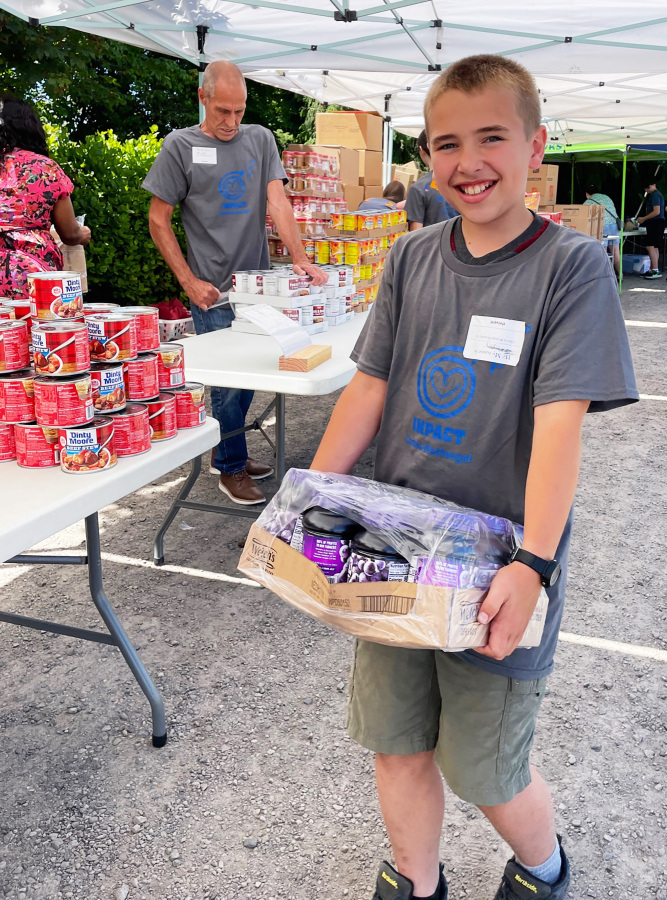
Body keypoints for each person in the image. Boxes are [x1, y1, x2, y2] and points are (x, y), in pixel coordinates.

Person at [311, 54, 638, 900]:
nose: (467, 162)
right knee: (395, 740)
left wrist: (533, 564)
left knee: (484, 768)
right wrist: (308, 498)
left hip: (498, 561)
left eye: (491, 137)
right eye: (446, 143)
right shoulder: (413, 257)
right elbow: (370, 385)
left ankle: (543, 870)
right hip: (392, 545)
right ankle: (415, 880)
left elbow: (559, 427)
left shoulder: (570, 268)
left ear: (534, 146)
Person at [143, 61, 326, 506]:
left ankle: (227, 451)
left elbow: (278, 203)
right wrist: (188, 282)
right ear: (202, 97)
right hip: (210, 290)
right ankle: (230, 466)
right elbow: (157, 219)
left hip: (256, 289)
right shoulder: (179, 146)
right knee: (228, 384)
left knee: (247, 378)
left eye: (239, 111)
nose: (231, 121)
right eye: (223, 110)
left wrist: (300, 258)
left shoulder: (260, 139)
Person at [0, 96, 91, 299]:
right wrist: (82, 234)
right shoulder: (44, 168)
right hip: (31, 277)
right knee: (38, 329)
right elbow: (69, 234)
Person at [405, 129, 458, 231]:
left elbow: (416, 235)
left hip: (432, 246)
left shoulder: (418, 188)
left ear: (421, 150)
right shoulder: (461, 183)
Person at [583, 185, 620, 275]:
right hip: (615, 225)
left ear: (587, 194)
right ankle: (620, 274)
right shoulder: (607, 197)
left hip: (602, 226)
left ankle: (605, 276)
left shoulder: (588, 202)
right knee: (615, 252)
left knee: (603, 252)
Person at [637, 181, 665, 279]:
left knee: (650, 246)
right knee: (655, 247)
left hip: (655, 222)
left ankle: (655, 270)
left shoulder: (655, 195)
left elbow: (656, 211)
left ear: (652, 185)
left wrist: (643, 218)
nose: (646, 190)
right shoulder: (656, 194)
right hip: (658, 222)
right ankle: (653, 268)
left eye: (647, 188)